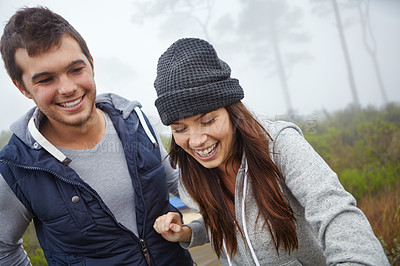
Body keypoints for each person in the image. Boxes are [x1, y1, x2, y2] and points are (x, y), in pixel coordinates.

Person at [152, 38, 389, 265]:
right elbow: (230, 223)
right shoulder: (192, 172)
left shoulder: (279, 144)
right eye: (180, 128)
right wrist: (187, 233)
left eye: (208, 121)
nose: (196, 141)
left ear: (233, 112)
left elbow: (336, 212)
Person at [0, 7, 193, 266]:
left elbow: (181, 185)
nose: (68, 88)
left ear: (91, 62)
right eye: (46, 79)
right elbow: (4, 250)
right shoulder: (15, 167)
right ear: (21, 87)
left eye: (76, 69)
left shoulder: (133, 120)